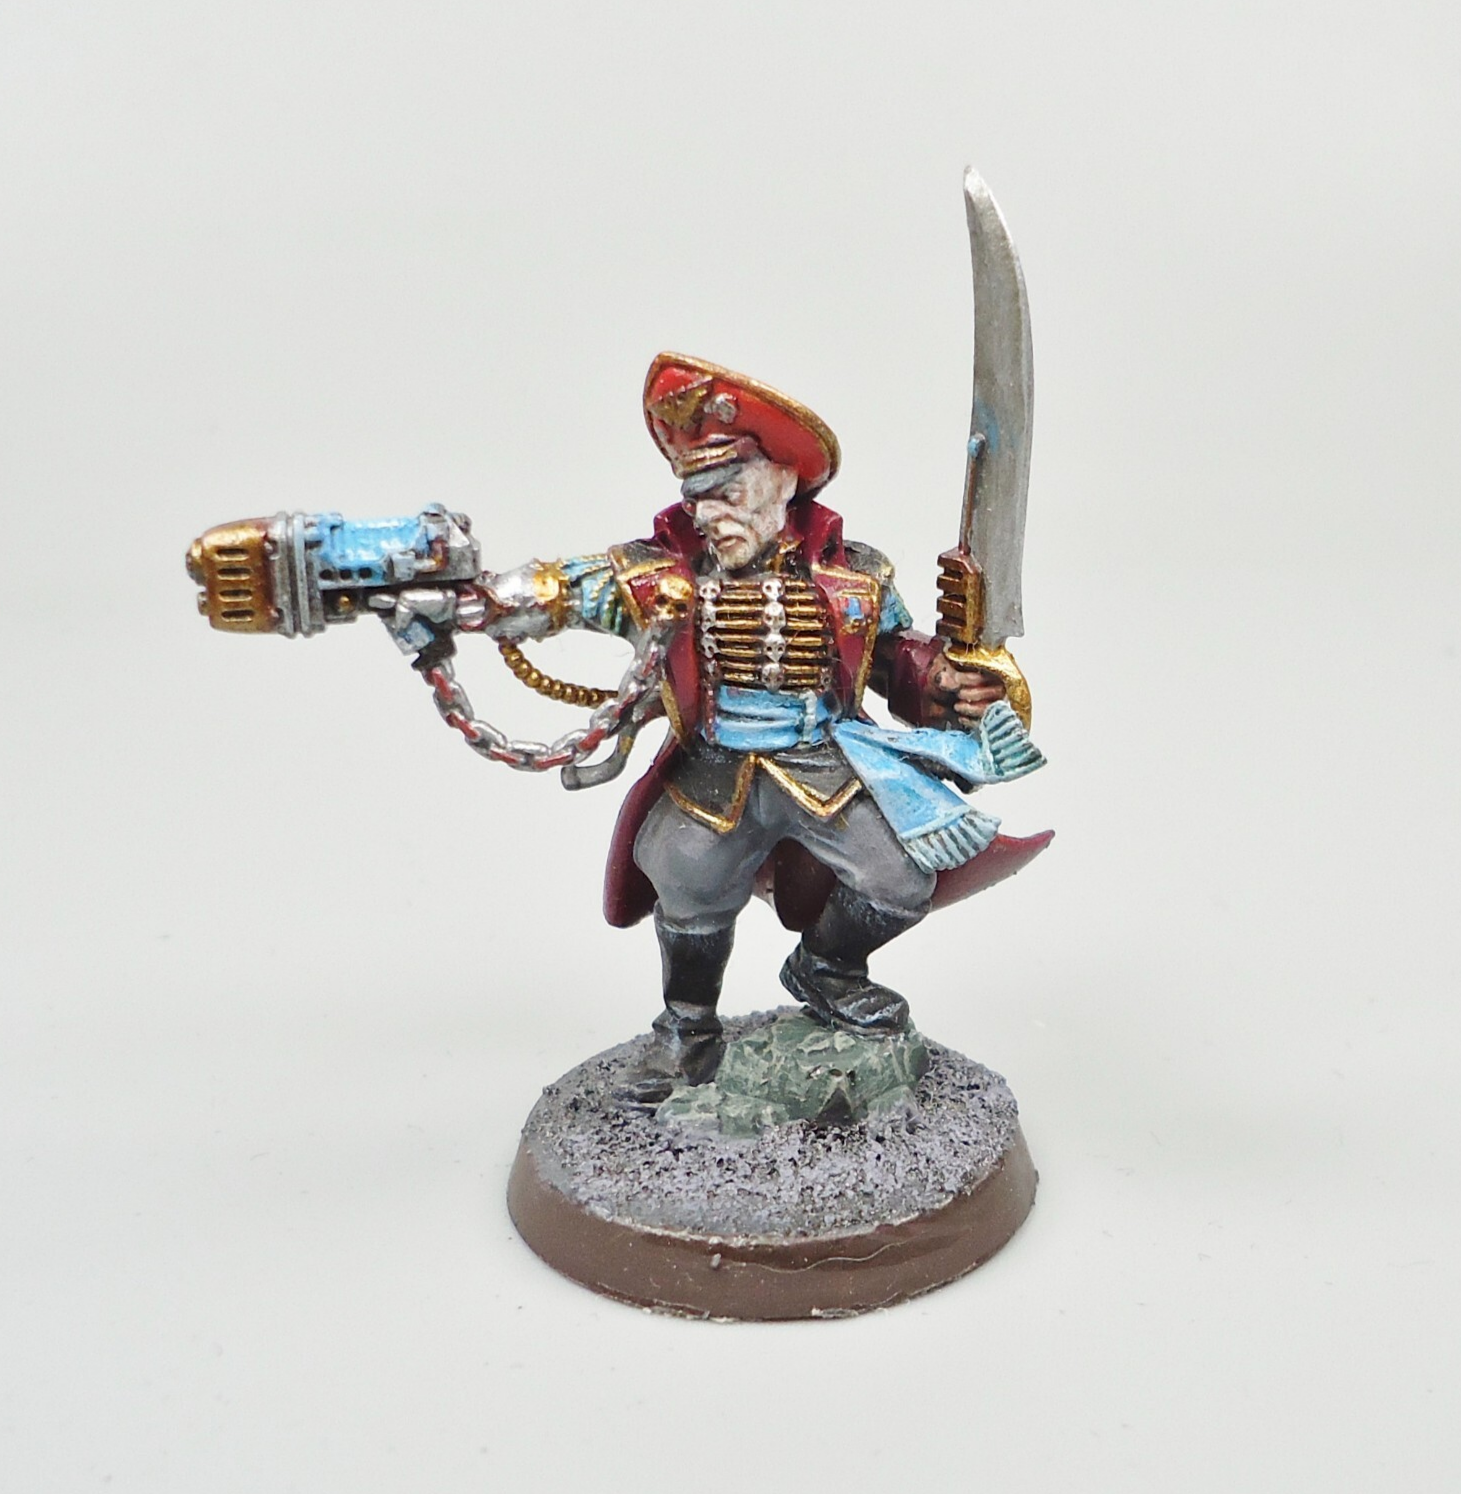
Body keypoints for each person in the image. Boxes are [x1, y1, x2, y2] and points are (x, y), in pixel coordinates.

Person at [452, 354, 1044, 1103]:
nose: (707, 515)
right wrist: (490, 599)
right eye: (695, 496)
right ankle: (687, 1027)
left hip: (826, 763)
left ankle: (826, 967)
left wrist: (947, 683)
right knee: (684, 875)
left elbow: (896, 658)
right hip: (715, 770)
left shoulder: (856, 576)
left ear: (783, 481)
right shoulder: (661, 576)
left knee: (900, 875)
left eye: (727, 492)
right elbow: (565, 589)